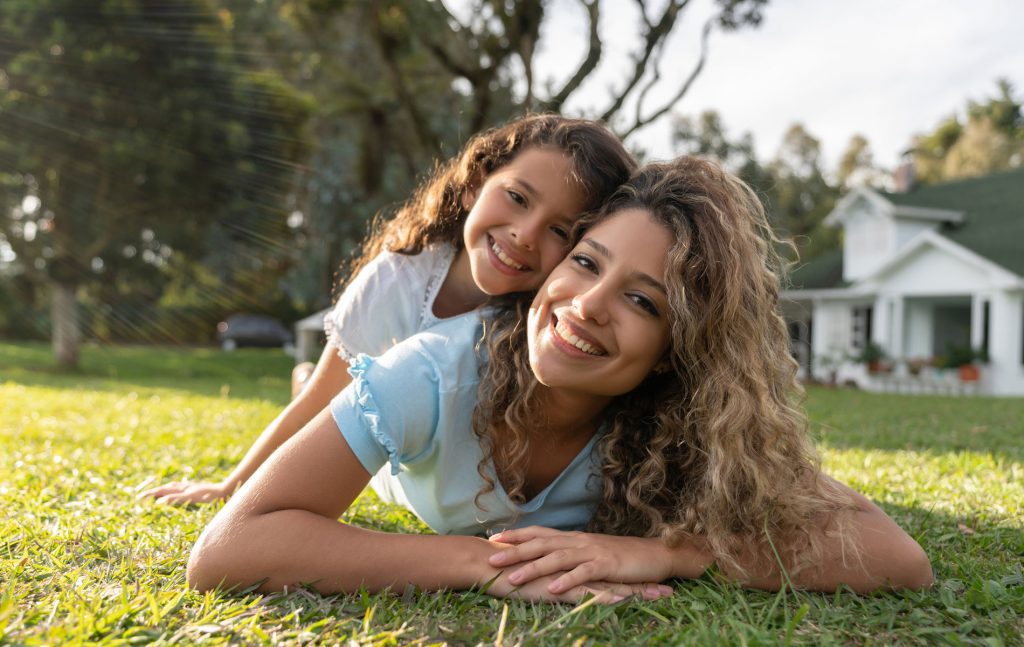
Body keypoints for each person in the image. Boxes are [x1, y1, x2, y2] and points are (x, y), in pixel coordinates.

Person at [186, 157, 933, 602]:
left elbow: (899, 556)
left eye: (644, 301)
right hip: (400, 457)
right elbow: (231, 547)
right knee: (351, 404)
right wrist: (478, 562)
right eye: (585, 262)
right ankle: (306, 389)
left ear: (679, 347)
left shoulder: (682, 422)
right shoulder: (435, 372)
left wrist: (672, 551)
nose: (586, 306)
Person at [142, 114, 636, 505]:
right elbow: (316, 409)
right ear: (473, 186)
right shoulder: (398, 279)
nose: (525, 235)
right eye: (516, 197)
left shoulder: (549, 320)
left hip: (454, 460)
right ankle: (310, 372)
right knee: (331, 395)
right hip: (396, 451)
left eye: (559, 231)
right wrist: (230, 488)